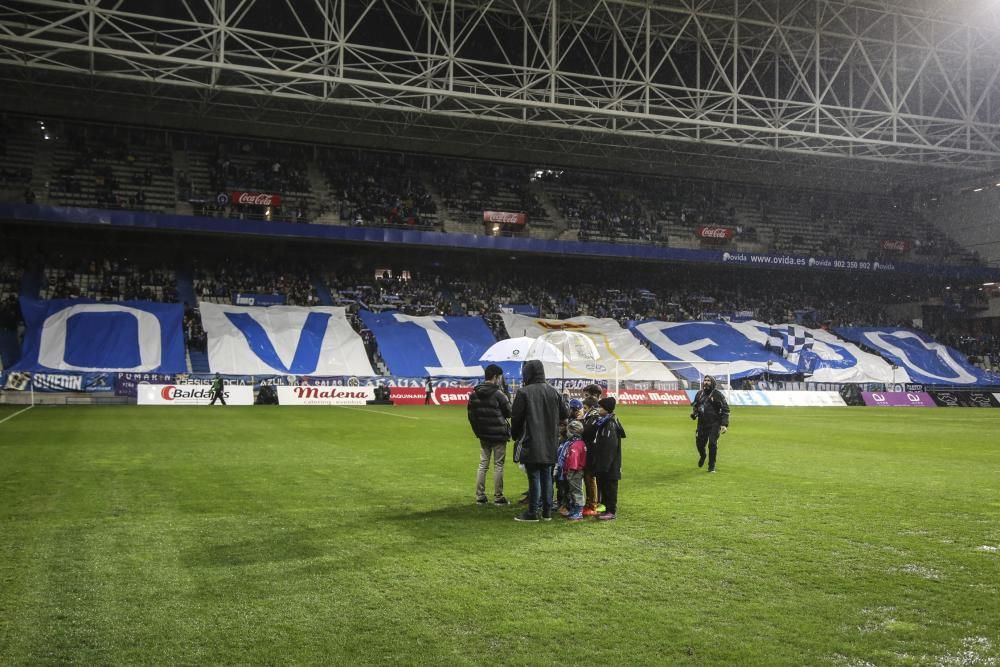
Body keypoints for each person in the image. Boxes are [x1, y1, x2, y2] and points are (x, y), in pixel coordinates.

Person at [510, 359, 568, 522]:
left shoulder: (524, 392)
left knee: (534, 476)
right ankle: (547, 512)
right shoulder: (553, 391)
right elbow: (565, 414)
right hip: (550, 442)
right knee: (547, 476)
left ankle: (532, 512)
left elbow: (516, 418)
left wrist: (516, 436)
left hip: (531, 440)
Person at [467, 364, 512, 506]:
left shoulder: (475, 393)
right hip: (498, 435)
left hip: (484, 435)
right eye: (500, 377)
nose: (500, 380)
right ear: (495, 377)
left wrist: (478, 432)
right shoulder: (498, 394)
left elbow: (471, 416)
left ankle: (480, 495)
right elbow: (509, 412)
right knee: (498, 465)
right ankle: (498, 497)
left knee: (483, 464)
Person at [588, 397, 626, 520]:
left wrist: (605, 465)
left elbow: (610, 447)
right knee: (604, 486)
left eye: (600, 407)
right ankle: (605, 508)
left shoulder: (610, 425)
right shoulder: (604, 422)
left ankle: (611, 511)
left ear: (606, 409)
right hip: (603, 463)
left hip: (609, 465)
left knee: (610, 487)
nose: (598, 409)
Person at [690, 374, 730, 473]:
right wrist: (695, 413)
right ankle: (703, 455)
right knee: (699, 444)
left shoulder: (718, 395)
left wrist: (724, 424)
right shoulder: (699, 394)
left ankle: (711, 466)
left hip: (714, 423)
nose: (706, 382)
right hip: (702, 423)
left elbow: (725, 410)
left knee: (712, 444)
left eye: (708, 380)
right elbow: (696, 405)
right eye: (705, 380)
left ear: (712, 383)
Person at [579, 384, 604, 516]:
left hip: (593, 450)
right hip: (590, 448)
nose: (585, 398)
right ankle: (592, 502)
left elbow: (589, 431)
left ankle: (593, 504)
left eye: (587, 395)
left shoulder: (596, 412)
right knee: (589, 476)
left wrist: (581, 424)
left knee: (591, 476)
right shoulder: (595, 411)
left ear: (593, 395)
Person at [556, 420, 587, 521]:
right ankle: (574, 509)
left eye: (569, 430)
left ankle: (578, 511)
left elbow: (573, 459)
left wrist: (570, 471)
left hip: (574, 472)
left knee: (576, 491)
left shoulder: (575, 445)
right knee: (573, 491)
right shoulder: (579, 442)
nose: (567, 432)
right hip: (575, 471)